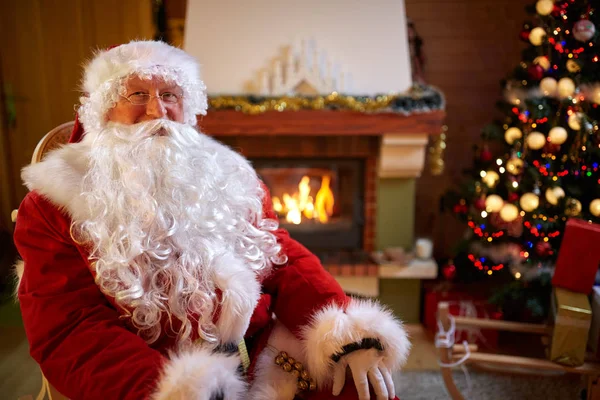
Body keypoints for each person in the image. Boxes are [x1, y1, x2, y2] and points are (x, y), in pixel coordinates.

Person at [13, 40, 410, 400]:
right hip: (155, 373)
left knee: (362, 387)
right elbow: (70, 330)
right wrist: (175, 389)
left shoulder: (227, 175)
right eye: (137, 93)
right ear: (102, 109)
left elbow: (280, 257)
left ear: (188, 110)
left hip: (261, 351)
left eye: (170, 95)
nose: (157, 110)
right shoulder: (53, 205)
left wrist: (345, 332)